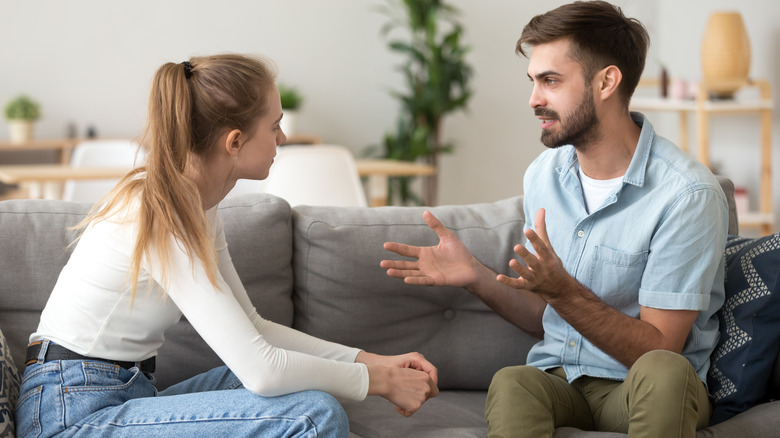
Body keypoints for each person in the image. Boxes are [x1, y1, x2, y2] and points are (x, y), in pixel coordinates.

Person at [16, 54, 438, 438]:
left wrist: (373, 362)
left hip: (124, 393)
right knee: (312, 414)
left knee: (293, 385)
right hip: (70, 415)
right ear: (234, 142)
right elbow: (263, 372)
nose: (283, 138)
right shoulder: (163, 211)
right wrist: (380, 383)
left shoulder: (198, 205)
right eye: (273, 127)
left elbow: (254, 329)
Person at [381, 2, 728, 437]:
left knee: (665, 370)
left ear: (606, 81)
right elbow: (546, 313)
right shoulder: (545, 175)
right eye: (533, 81)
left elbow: (659, 347)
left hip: (644, 388)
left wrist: (562, 289)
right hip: (564, 383)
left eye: (550, 80)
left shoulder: (686, 195)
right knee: (514, 382)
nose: (534, 99)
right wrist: (476, 276)